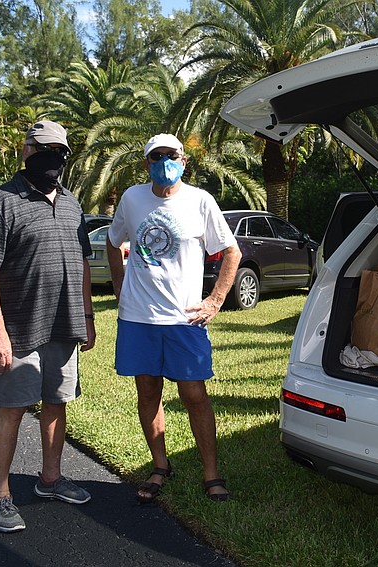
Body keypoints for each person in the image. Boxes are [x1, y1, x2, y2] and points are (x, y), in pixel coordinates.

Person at [0, 120, 97, 533]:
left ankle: (50, 478)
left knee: (57, 402)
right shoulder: (3, 200)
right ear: (26, 150)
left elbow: (80, 263)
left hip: (63, 326)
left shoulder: (72, 203)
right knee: (12, 408)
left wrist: (88, 317)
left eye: (59, 151)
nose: (52, 158)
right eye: (43, 149)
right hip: (20, 328)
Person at [106, 133, 240, 503]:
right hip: (138, 317)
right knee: (147, 390)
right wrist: (119, 286)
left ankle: (211, 473)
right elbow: (112, 241)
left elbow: (231, 252)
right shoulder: (132, 198)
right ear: (146, 163)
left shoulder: (200, 201)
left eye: (172, 155)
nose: (164, 162)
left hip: (184, 320)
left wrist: (215, 300)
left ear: (184, 161)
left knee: (194, 393)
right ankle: (160, 466)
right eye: (156, 157)